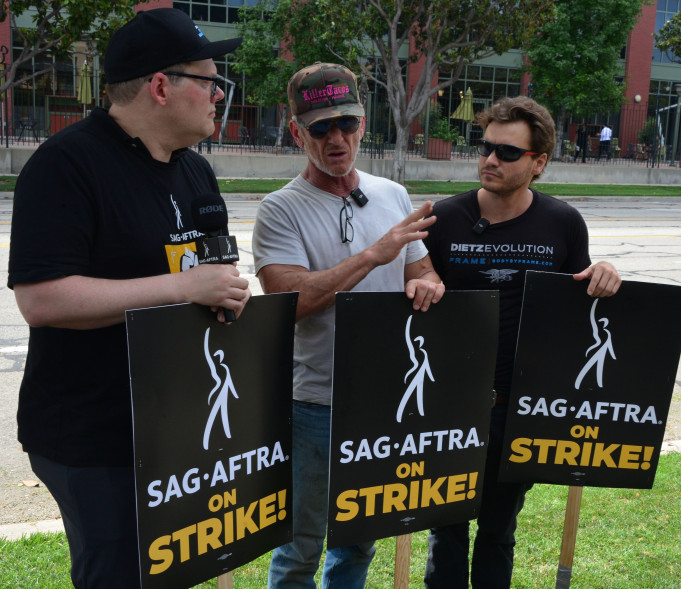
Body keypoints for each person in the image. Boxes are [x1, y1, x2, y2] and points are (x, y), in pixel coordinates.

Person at [7, 9, 249, 588]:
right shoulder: (67, 165)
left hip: (177, 425)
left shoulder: (196, 172)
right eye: (211, 81)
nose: (221, 94)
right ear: (162, 87)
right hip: (94, 436)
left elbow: (209, 264)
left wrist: (223, 291)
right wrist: (183, 287)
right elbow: (41, 300)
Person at [252, 62, 445, 589]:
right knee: (301, 547)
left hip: (381, 401)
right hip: (314, 402)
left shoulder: (392, 195)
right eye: (320, 128)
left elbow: (420, 269)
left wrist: (426, 284)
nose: (337, 139)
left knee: (360, 539)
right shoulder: (280, 210)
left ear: (363, 123)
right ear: (296, 131)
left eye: (348, 124)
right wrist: (374, 252)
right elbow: (289, 301)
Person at [422, 95, 621, 589]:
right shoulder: (442, 220)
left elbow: (578, 300)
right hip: (450, 402)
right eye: (486, 147)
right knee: (445, 527)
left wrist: (603, 274)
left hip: (519, 406)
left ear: (538, 163)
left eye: (508, 153)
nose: (490, 160)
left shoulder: (562, 223)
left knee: (498, 529)